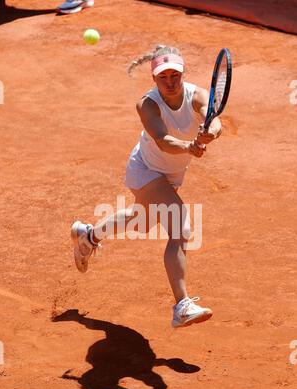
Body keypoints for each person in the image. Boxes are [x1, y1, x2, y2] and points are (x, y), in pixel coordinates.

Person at [71, 45, 222, 328]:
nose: (169, 81)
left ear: (182, 73)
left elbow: (215, 122)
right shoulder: (147, 104)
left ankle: (88, 236)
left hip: (172, 175)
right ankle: (182, 305)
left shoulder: (198, 95)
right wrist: (190, 146)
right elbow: (163, 139)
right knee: (180, 225)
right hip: (146, 169)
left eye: (174, 75)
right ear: (154, 79)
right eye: (163, 76)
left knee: (140, 221)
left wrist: (210, 133)